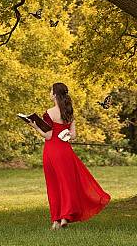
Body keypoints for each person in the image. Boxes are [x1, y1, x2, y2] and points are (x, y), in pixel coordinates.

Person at [28, 82, 111, 230]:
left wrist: (35, 127)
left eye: (50, 90)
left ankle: (56, 221)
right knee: (66, 185)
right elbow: (72, 135)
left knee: (54, 186)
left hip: (52, 151)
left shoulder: (49, 113)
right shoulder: (69, 111)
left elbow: (48, 136)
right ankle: (65, 217)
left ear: (54, 94)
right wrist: (66, 134)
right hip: (66, 151)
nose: (49, 93)